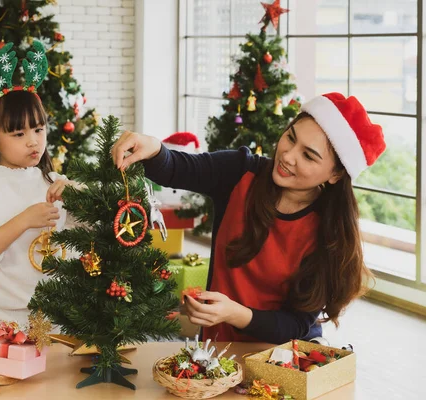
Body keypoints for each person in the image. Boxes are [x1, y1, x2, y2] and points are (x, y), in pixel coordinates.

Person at [111, 93, 386, 343]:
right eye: (290, 137)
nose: (288, 156)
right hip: (215, 349)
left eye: (308, 156)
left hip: (280, 361)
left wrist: (235, 314)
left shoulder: (329, 233)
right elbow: (178, 167)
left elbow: (297, 325)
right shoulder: (240, 172)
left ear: (336, 175)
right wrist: (154, 148)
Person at [0, 42, 76, 334]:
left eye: (38, 129)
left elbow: (83, 235)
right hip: (5, 322)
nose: (33, 141)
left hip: (60, 318)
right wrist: (24, 220)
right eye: (19, 133)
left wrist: (77, 195)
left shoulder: (53, 182)